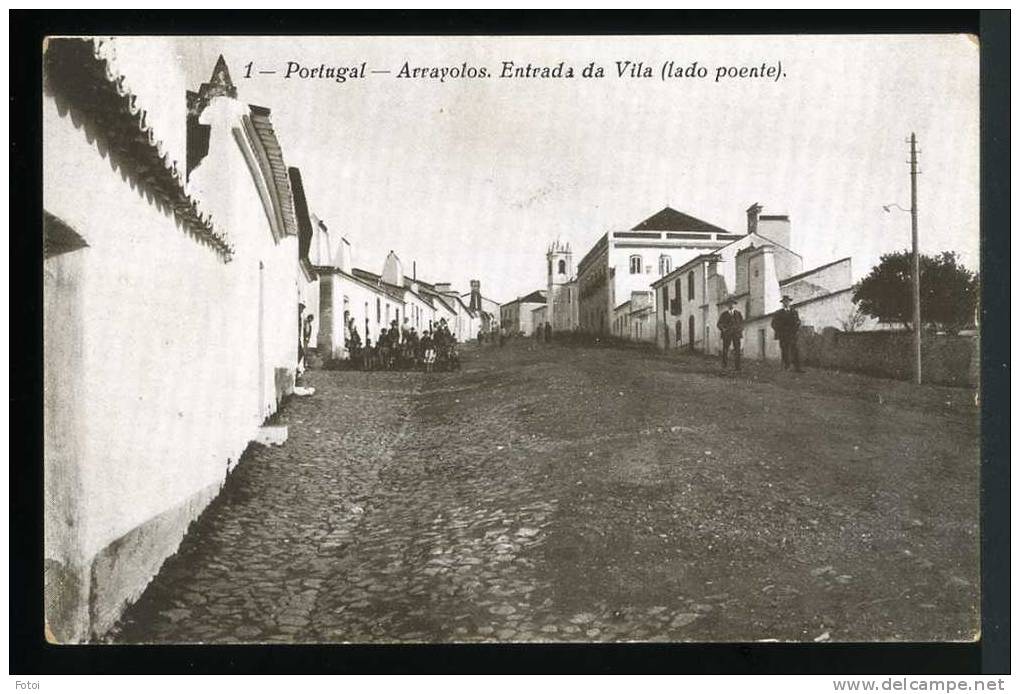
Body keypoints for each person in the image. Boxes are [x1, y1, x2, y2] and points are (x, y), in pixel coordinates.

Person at [771, 295, 803, 372]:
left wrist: (795, 330)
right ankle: (787, 366)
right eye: (785, 301)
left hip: (792, 335)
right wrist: (780, 331)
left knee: (795, 350)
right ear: (782, 303)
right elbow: (773, 324)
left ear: (790, 302)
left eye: (788, 301)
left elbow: (798, 322)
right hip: (783, 335)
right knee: (785, 350)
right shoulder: (778, 313)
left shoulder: (794, 312)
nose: (786, 303)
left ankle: (797, 367)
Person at [717, 299, 744, 371]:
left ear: (734, 305)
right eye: (729, 304)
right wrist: (723, 329)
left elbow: (742, 323)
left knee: (737, 350)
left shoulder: (738, 314)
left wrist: (739, 330)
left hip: (736, 334)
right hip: (727, 335)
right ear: (727, 305)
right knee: (725, 350)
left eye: (732, 304)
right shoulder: (724, 314)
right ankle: (724, 365)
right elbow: (719, 324)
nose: (731, 305)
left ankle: (737, 367)